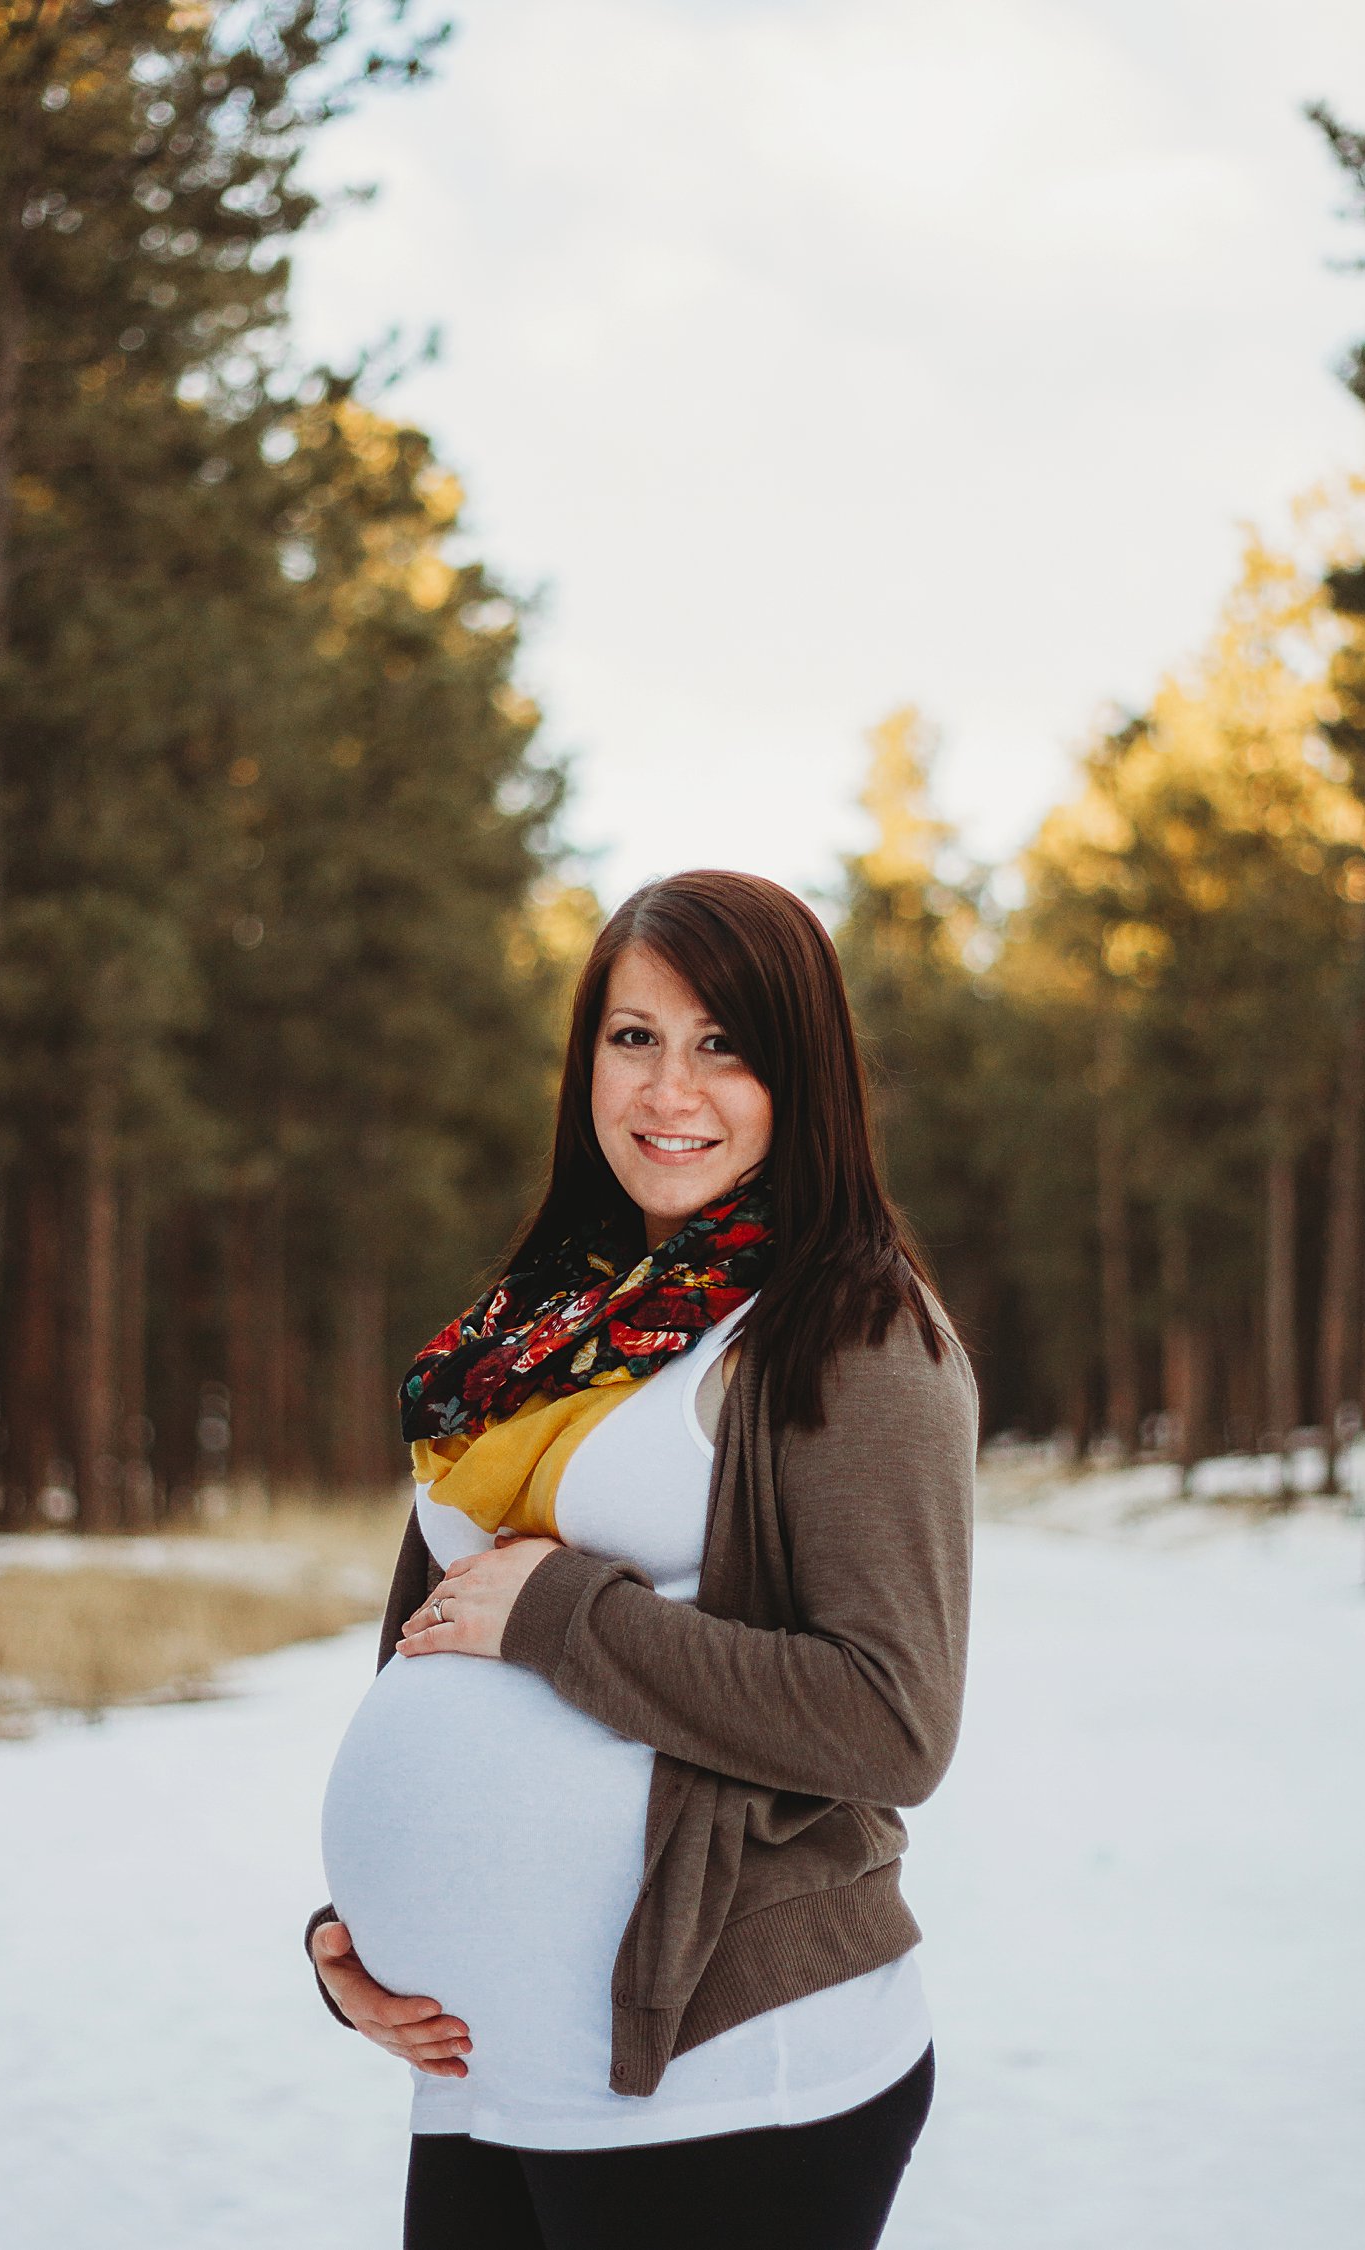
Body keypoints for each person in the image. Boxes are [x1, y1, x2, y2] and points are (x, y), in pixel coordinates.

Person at [305, 868, 978, 2250]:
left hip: (719, 2068)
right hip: (486, 2067)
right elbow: (432, 1651)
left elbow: (891, 1719)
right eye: (635, 1037)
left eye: (723, 1043)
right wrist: (356, 1929)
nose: (672, 1088)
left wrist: (566, 1613)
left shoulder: (850, 1327)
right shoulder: (538, 1332)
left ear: (805, 1072)